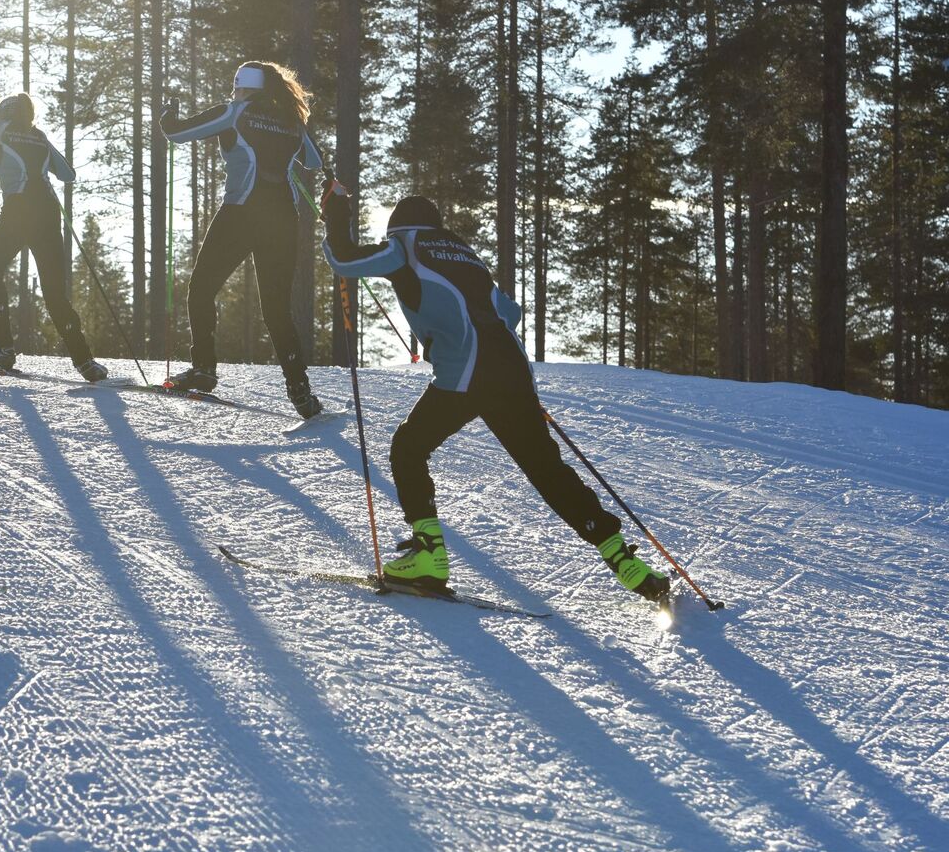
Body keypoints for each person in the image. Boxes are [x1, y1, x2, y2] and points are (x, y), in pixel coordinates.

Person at [319, 176, 670, 603]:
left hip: (467, 372)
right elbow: (512, 312)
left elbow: (342, 259)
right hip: (513, 370)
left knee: (409, 447)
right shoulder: (466, 256)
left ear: (398, 227)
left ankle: (429, 557)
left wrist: (336, 213)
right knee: (547, 470)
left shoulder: (403, 247)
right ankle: (627, 564)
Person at [158, 61, 324, 418]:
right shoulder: (290, 121)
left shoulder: (234, 112)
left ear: (241, 87)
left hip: (241, 213)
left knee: (201, 289)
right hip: (283, 219)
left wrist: (168, 112)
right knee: (277, 310)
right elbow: (313, 160)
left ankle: (204, 368)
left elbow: (175, 133)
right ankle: (301, 392)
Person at [0, 92, 109, 382]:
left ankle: (3, 349)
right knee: (54, 294)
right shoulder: (38, 135)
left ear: (3, 114)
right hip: (48, 214)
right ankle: (85, 360)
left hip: (18, 210)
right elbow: (68, 175)